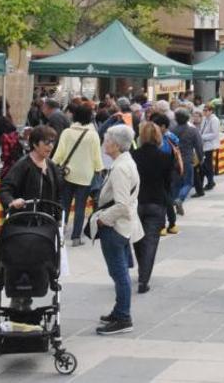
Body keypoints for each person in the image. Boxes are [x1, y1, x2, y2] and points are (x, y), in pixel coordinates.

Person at [0, 125, 63, 311]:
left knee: (40, 261)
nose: (50, 146)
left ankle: (33, 292)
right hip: (23, 225)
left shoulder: (51, 166)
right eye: (46, 142)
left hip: (44, 224)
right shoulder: (23, 165)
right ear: (35, 144)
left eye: (52, 142)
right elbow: (5, 188)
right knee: (23, 260)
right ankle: (19, 298)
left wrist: (57, 215)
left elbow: (58, 193)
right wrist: (12, 201)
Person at [93, 125, 143, 335]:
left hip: (116, 227)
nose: (104, 143)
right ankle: (119, 311)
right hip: (123, 226)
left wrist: (103, 219)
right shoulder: (126, 162)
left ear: (115, 144)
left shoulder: (121, 168)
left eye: (106, 139)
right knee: (119, 272)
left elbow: (121, 204)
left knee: (119, 273)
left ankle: (123, 317)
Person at [52, 104, 104, 247]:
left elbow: (58, 154)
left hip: (67, 174)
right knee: (80, 207)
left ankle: (60, 234)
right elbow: (97, 157)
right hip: (85, 176)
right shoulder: (93, 135)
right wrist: (100, 170)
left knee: (64, 206)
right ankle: (76, 238)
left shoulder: (67, 132)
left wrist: (51, 165)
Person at [131, 122, 173, 294]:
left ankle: (143, 269)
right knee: (151, 242)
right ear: (158, 136)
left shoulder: (133, 155)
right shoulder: (164, 157)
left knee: (137, 240)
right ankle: (144, 278)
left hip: (136, 202)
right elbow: (168, 183)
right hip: (156, 201)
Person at [171, 109, 204, 208]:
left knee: (176, 183)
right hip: (187, 159)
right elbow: (199, 145)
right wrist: (201, 157)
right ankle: (180, 199)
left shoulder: (172, 130)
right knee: (188, 182)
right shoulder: (193, 130)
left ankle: (174, 201)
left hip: (174, 160)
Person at [197, 104, 220, 192]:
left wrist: (202, 137)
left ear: (211, 111)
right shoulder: (205, 119)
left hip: (210, 145)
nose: (204, 112)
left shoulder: (214, 120)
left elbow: (214, 134)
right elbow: (201, 129)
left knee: (207, 165)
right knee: (205, 165)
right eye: (204, 110)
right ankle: (210, 181)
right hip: (203, 145)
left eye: (206, 110)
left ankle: (210, 182)